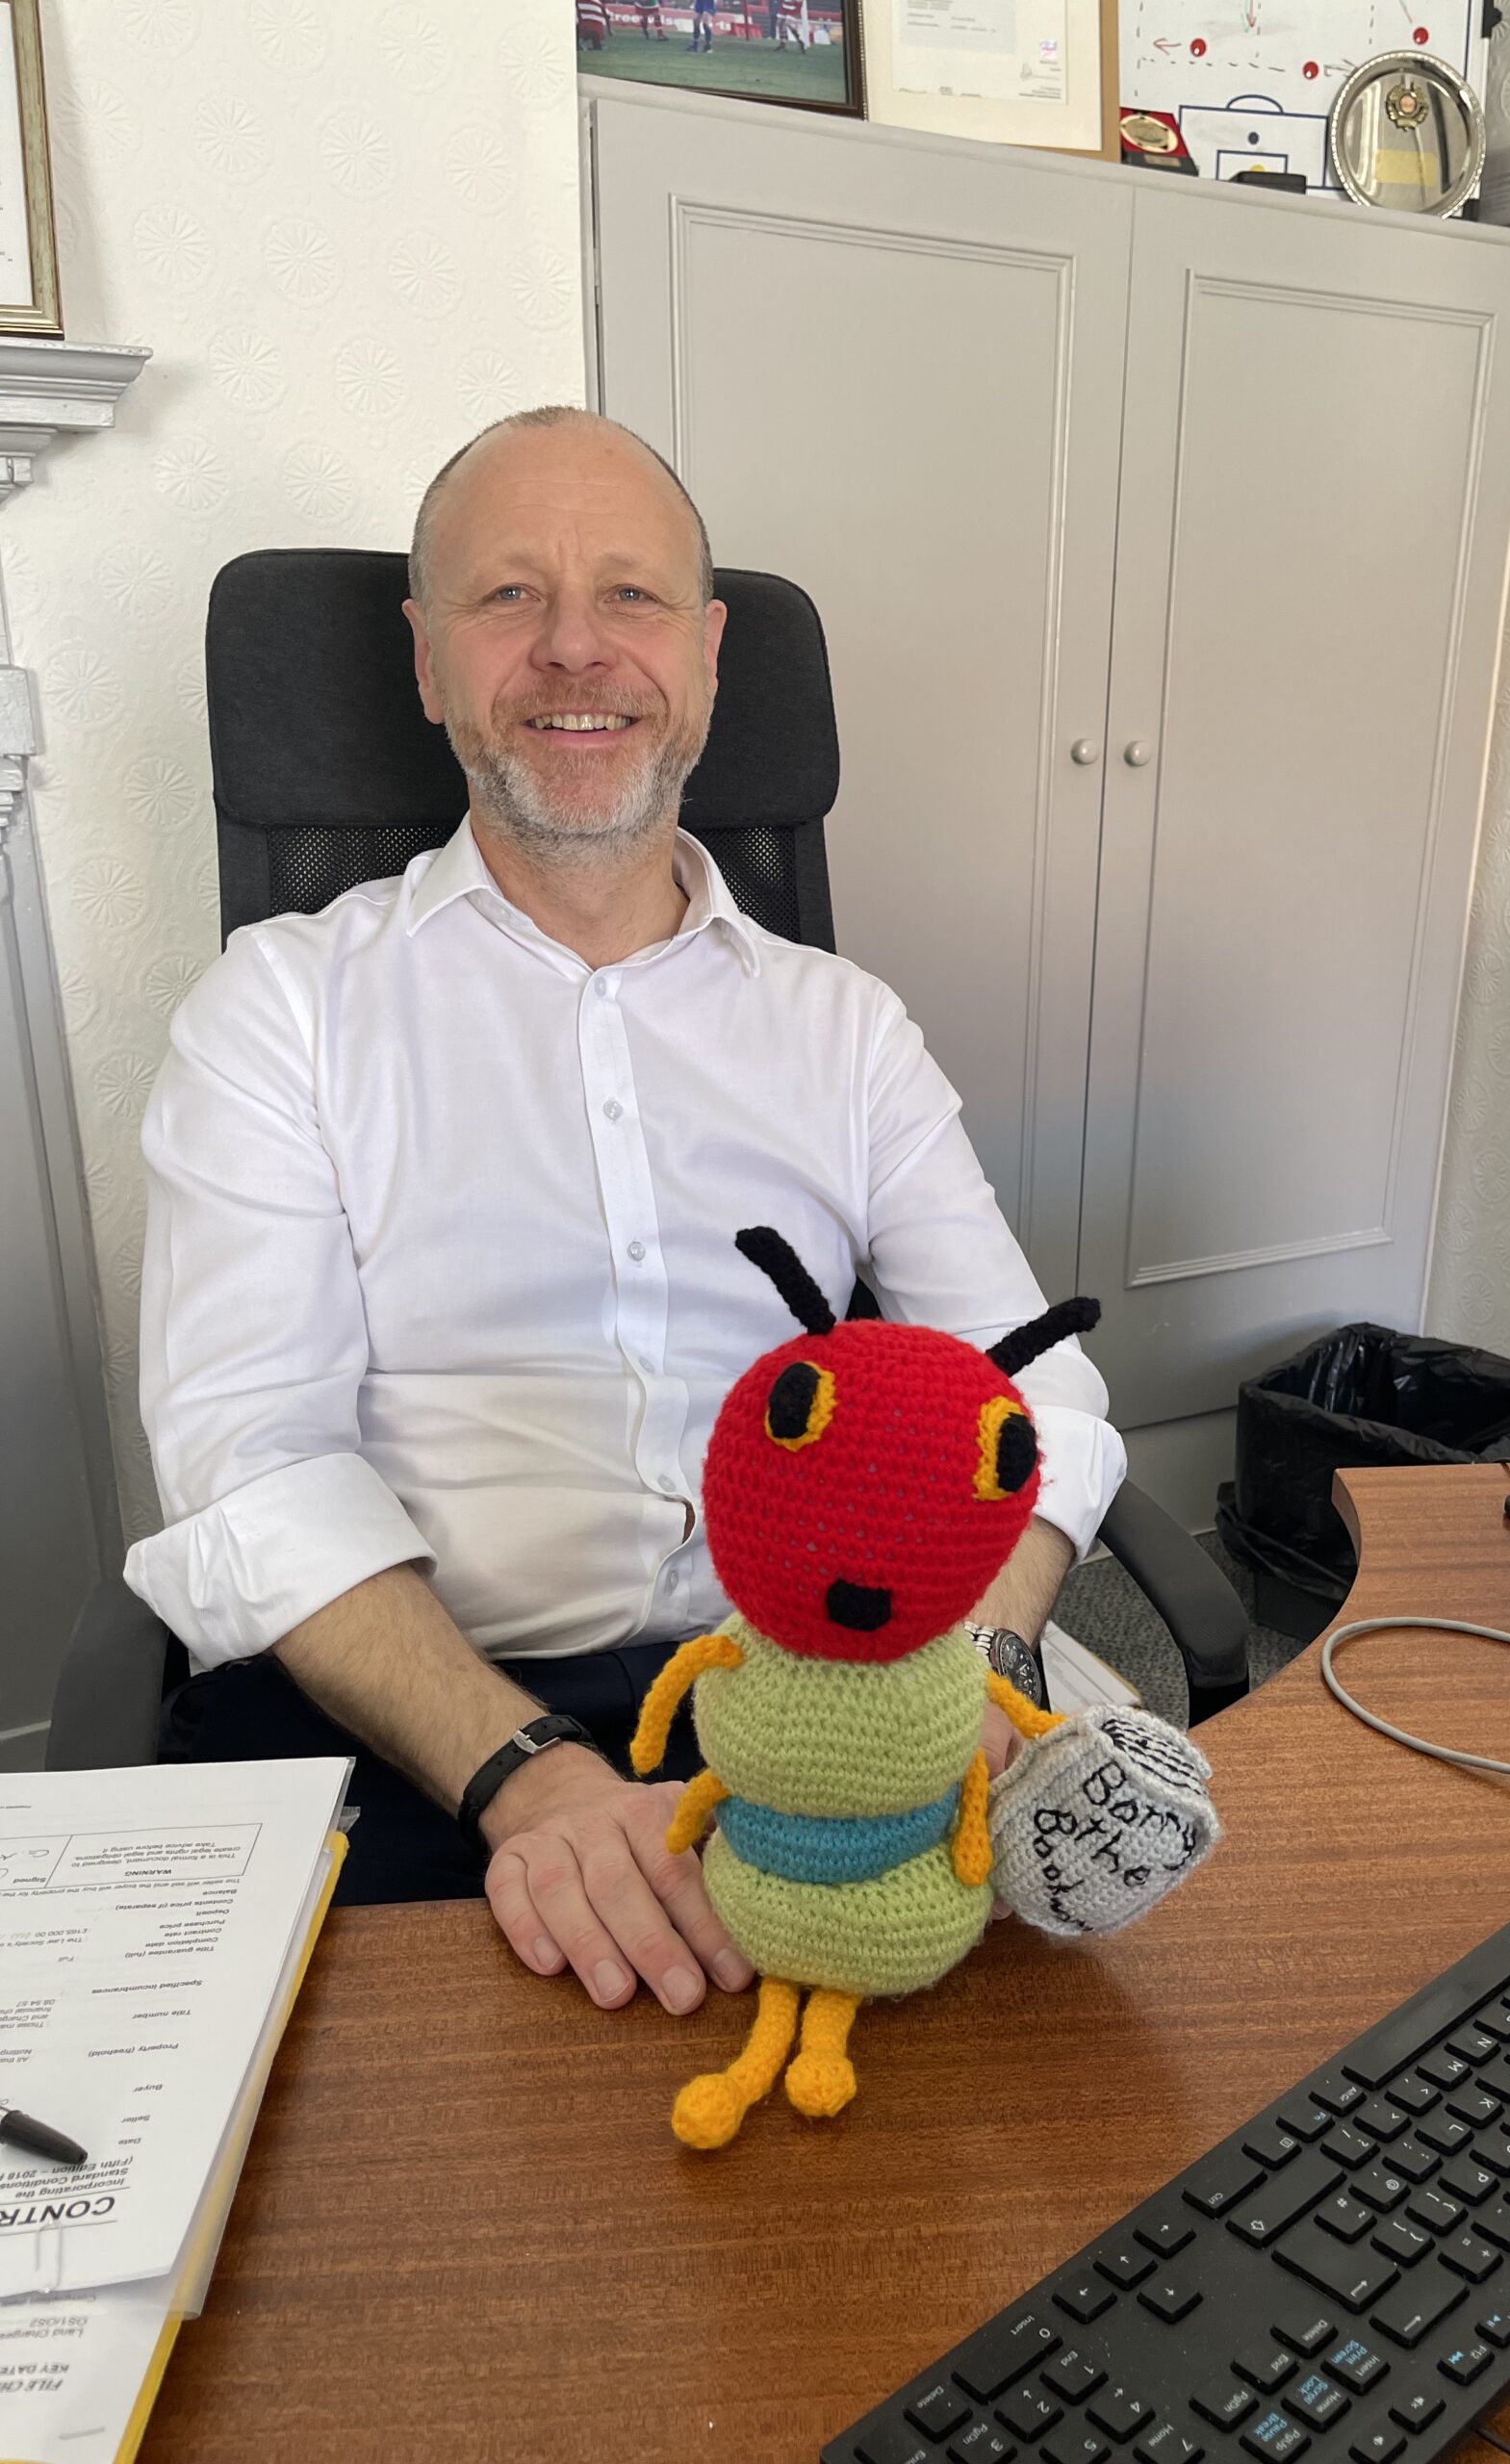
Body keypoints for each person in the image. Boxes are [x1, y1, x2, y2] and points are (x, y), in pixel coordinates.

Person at [127, 407, 1126, 2029]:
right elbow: (255, 1464)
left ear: (708, 659)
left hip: (820, 1703)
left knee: (1063, 2096)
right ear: (428, 661)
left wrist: (984, 1664)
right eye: (509, 595)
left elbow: (1040, 1397)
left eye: (632, 596)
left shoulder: (844, 1030)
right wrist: (523, 1770)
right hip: (426, 1725)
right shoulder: (281, 1013)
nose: (576, 648)